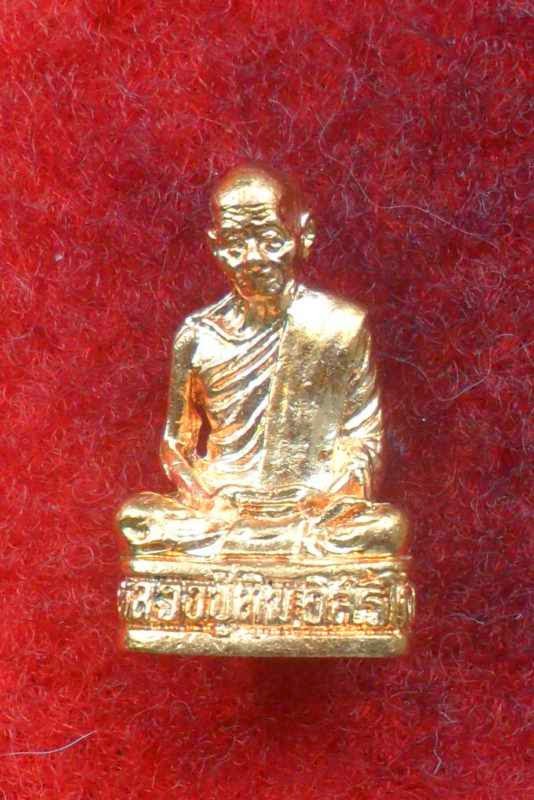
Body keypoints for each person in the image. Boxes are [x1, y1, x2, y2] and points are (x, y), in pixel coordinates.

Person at [117, 164, 407, 559]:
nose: (252, 259)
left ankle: (268, 547)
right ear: (215, 245)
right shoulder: (198, 335)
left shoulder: (339, 326)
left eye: (270, 240)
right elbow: (174, 444)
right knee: (137, 519)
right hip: (222, 508)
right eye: (235, 244)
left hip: (310, 510)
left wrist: (325, 497)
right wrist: (207, 499)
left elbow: (362, 439)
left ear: (302, 235)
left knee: (385, 528)